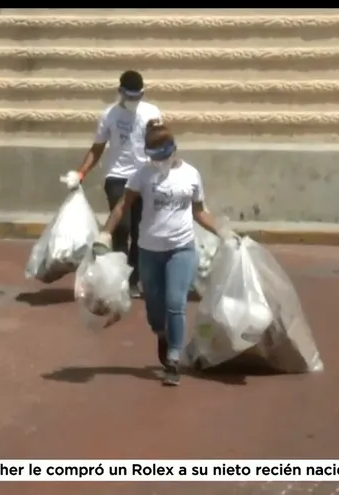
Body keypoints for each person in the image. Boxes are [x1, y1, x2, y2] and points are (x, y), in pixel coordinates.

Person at [93, 119, 236, 386]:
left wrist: (223, 231)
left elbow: (199, 211)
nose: (159, 161)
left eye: (162, 155)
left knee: (176, 303)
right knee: (155, 308)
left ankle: (173, 358)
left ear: (173, 149)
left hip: (181, 248)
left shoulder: (190, 175)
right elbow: (124, 205)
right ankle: (161, 333)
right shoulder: (143, 174)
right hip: (149, 250)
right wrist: (105, 233)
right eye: (153, 156)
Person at [61, 70, 162, 298]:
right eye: (131, 96)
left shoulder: (151, 113)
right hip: (117, 176)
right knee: (122, 226)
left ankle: (135, 279)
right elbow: (97, 148)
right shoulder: (110, 115)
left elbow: (160, 141)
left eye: (139, 96)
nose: (135, 101)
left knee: (140, 230)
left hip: (145, 176)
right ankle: (120, 277)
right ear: (120, 93)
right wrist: (80, 173)